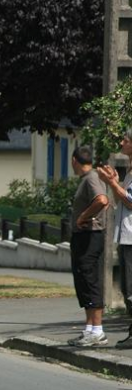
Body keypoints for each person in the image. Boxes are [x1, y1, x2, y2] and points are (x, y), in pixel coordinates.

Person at [67, 146, 109, 347]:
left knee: (90, 280)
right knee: (83, 280)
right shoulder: (88, 179)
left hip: (90, 236)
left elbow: (102, 200)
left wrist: (84, 216)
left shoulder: (91, 178)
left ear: (74, 160)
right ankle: (90, 329)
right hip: (83, 237)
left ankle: (98, 330)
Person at [97, 128, 132, 349]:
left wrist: (112, 183)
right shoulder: (129, 171)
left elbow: (130, 201)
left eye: (126, 139)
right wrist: (117, 182)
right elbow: (123, 204)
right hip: (126, 235)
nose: (122, 142)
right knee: (128, 289)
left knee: (131, 290)